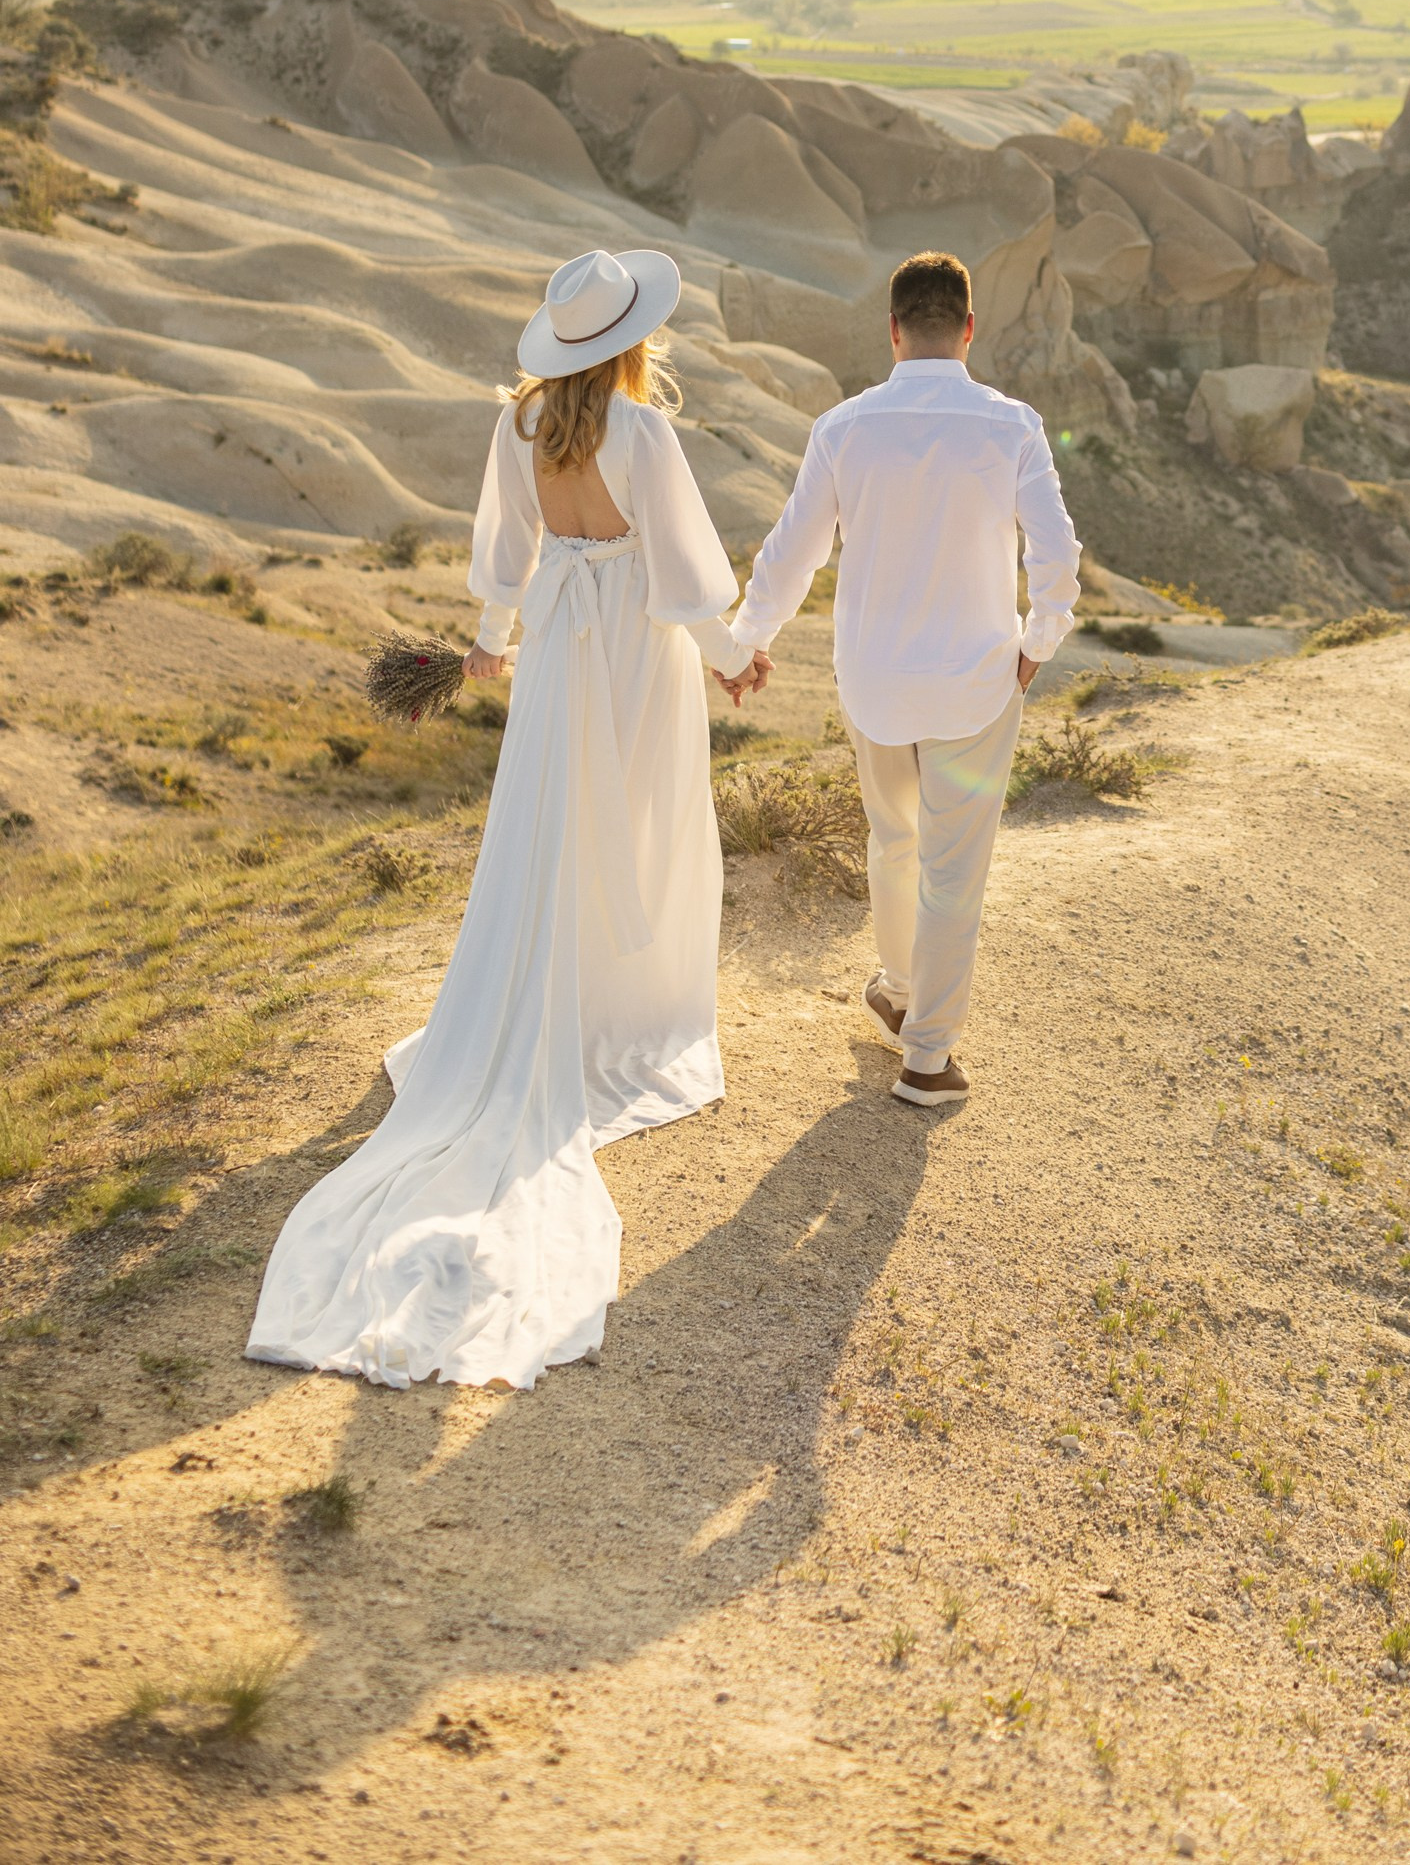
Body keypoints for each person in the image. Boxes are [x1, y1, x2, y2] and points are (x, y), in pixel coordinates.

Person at [246, 248, 749, 1390]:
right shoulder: (643, 434)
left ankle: (549, 999)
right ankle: (628, 1008)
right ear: (630, 339)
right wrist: (727, 658)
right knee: (643, 822)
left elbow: (505, 554)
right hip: (633, 642)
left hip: (561, 641)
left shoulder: (521, 428)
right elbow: (681, 570)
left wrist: (491, 640)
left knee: (551, 823)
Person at [725, 250, 1078, 1109]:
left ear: (891, 332)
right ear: (966, 329)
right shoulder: (1012, 425)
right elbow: (1057, 553)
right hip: (975, 681)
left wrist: (745, 643)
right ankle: (927, 1056)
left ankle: (897, 987)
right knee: (953, 869)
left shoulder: (843, 427)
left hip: (875, 681)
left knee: (893, 840)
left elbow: (792, 552)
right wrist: (1040, 637)